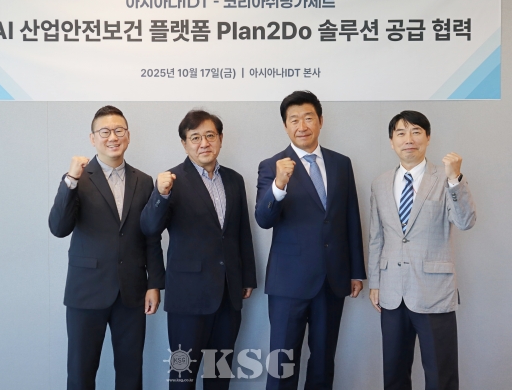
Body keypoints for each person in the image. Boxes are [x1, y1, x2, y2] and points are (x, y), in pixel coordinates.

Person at [255, 90, 366, 390]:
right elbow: (263, 219)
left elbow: (350, 217)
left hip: (332, 280)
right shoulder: (271, 165)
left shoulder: (341, 163)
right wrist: (279, 184)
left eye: (308, 118)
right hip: (288, 284)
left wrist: (356, 271)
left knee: (323, 363)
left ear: (320, 121)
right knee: (282, 364)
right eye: (294, 120)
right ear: (285, 126)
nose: (302, 126)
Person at [48, 105, 165, 390]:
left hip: (132, 292)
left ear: (128, 135)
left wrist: (154, 283)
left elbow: (151, 235)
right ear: (93, 138)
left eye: (119, 130)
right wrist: (70, 180)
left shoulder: (144, 181)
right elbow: (59, 228)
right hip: (86, 291)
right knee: (81, 373)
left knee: (130, 373)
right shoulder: (77, 179)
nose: (113, 137)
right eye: (105, 132)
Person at [140, 109, 257, 390]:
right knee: (183, 376)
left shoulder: (235, 180)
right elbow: (149, 228)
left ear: (220, 139)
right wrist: (161, 194)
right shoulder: (171, 181)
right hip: (188, 297)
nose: (204, 143)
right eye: (195, 137)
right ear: (184, 143)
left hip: (228, 293)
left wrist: (247, 277)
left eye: (210, 136)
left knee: (219, 375)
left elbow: (241, 231)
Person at [368, 110, 476, 390]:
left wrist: (455, 179)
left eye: (416, 132)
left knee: (441, 376)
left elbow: (465, 221)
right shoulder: (380, 183)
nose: (409, 139)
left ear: (427, 138)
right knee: (394, 375)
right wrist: (375, 282)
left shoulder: (445, 178)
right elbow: (377, 237)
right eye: (401, 133)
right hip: (392, 291)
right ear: (391, 141)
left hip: (434, 291)